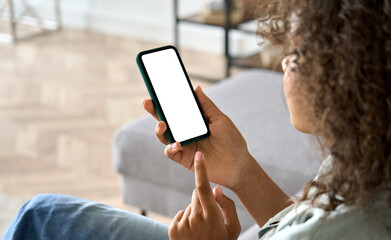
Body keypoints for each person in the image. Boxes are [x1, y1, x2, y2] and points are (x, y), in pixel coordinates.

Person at [2, 0, 391, 239]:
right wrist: (242, 170)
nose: (284, 63)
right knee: (43, 214)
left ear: (351, 77)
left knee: (42, 219)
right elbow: (302, 224)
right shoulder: (368, 154)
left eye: (299, 54)